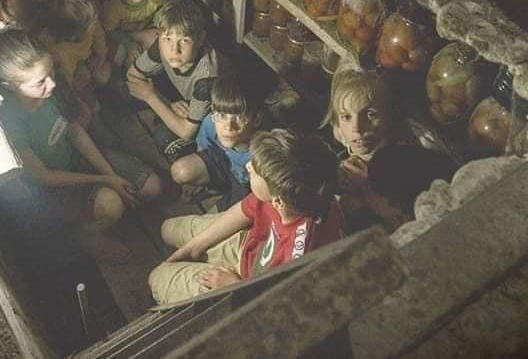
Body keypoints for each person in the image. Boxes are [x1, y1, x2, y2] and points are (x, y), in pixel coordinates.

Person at [0, 28, 165, 261]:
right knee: (112, 204)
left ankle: (103, 205)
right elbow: (45, 177)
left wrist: (111, 175)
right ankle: (84, 235)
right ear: (10, 85)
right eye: (40, 82)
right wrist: (104, 179)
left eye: (50, 72)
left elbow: (75, 132)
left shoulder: (51, 92)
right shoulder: (11, 122)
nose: (51, 83)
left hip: (75, 160)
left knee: (152, 187)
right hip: (56, 189)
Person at [148, 128, 343, 305]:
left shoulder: (298, 255)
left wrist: (234, 286)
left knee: (156, 278)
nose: (248, 166)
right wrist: (193, 248)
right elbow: (244, 210)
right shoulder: (292, 192)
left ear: (278, 202)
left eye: (255, 171)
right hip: (249, 246)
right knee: (168, 229)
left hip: (247, 287)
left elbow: (275, 307)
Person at [322, 59, 452, 233]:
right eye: (346, 117)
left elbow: (418, 226)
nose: (357, 129)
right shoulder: (339, 174)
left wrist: (370, 196)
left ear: (390, 115)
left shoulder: (410, 160)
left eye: (370, 115)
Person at [126, 0, 225, 162]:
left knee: (163, 137)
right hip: (185, 100)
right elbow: (132, 76)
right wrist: (167, 103)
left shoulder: (207, 77)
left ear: (200, 39)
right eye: (167, 38)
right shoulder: (162, 45)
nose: (174, 50)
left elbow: (187, 132)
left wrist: (151, 97)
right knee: (127, 92)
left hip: (212, 119)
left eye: (184, 40)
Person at [170, 74, 263, 210]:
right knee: (180, 171)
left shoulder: (261, 153)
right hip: (221, 162)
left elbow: (251, 192)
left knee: (221, 213)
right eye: (222, 115)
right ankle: (214, 188)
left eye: (239, 118)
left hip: (245, 185)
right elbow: (203, 149)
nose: (228, 126)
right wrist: (201, 176)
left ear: (257, 119)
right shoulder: (211, 122)